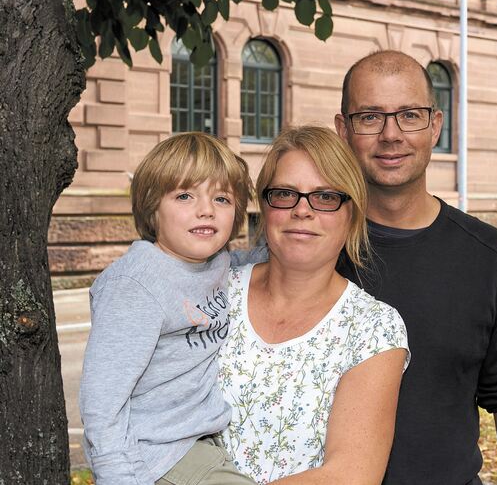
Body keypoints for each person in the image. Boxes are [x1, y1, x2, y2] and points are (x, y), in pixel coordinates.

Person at [334, 51, 497, 485]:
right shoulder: (310, 247)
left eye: (409, 115)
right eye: (370, 117)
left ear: (435, 125)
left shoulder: (489, 255)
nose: (391, 135)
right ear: (343, 130)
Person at [218, 125, 410, 485]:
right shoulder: (213, 293)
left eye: (324, 197)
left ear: (351, 214)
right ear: (265, 205)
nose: (302, 210)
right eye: (285, 193)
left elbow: (351, 475)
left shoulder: (372, 329)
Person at [79, 132, 258, 485]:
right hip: (154, 455)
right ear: (152, 207)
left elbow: (264, 258)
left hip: (198, 442)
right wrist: (117, 477)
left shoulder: (217, 263)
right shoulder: (135, 285)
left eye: (222, 198)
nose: (206, 209)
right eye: (184, 195)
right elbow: (102, 400)